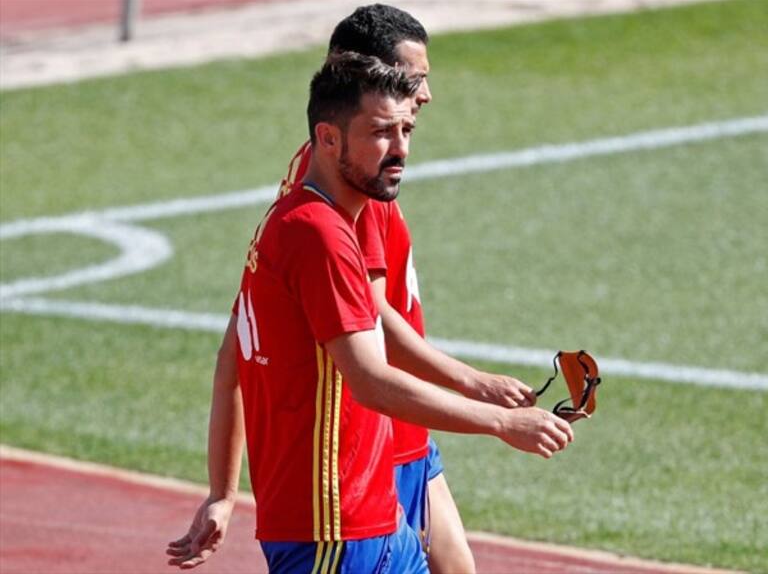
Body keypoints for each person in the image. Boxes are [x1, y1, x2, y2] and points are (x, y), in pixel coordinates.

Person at [167, 52, 573, 573]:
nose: (400, 149)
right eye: (381, 132)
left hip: (369, 519)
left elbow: (232, 362)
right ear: (329, 138)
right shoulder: (319, 236)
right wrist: (500, 422)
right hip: (334, 533)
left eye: (406, 130)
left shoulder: (303, 218)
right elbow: (371, 380)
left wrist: (222, 494)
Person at [277, 5, 538, 573]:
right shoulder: (351, 189)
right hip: (379, 441)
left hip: (403, 429)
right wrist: (476, 388)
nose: (425, 94)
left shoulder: (340, 167)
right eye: (414, 78)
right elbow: (372, 322)